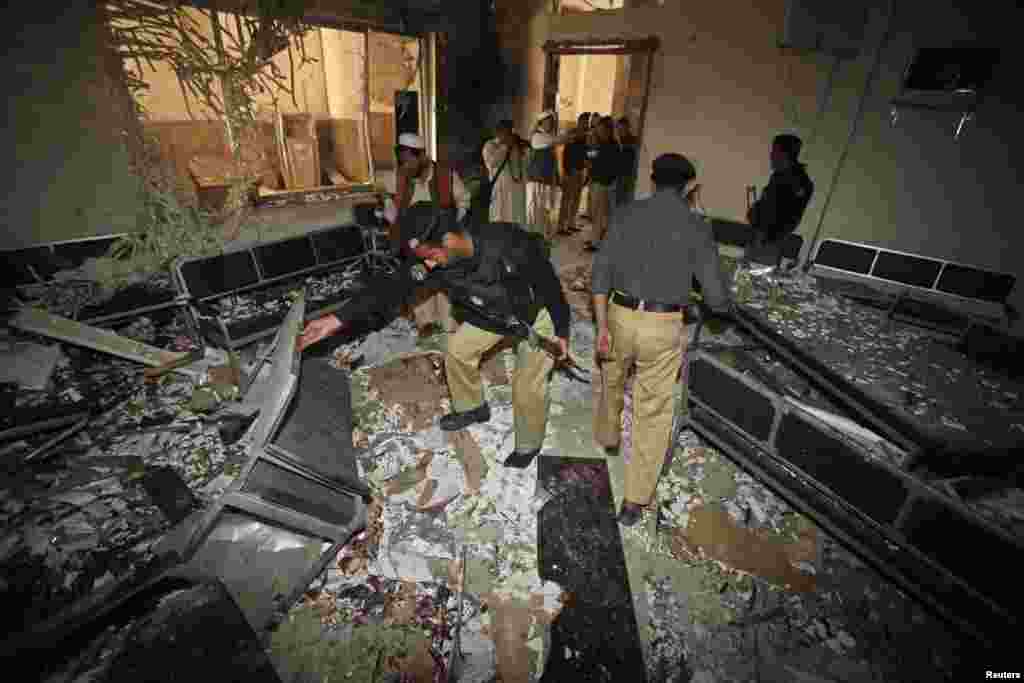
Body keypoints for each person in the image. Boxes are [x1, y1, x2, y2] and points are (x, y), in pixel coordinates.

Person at [298, 205, 572, 469]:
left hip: (537, 315)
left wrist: (562, 331)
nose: (427, 264)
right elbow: (391, 287)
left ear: (450, 239)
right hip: (491, 314)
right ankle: (473, 407)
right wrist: (336, 319)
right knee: (457, 350)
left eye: (429, 255)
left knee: (527, 384)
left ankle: (529, 444)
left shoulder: (507, 243)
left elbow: (549, 284)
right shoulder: (436, 263)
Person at [591, 152, 733, 526]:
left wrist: (602, 325)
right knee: (652, 411)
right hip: (663, 324)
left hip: (619, 315)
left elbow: (601, 271)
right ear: (687, 186)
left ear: (652, 179)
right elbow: (718, 299)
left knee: (612, 377)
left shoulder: (625, 213)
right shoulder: (696, 225)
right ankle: (635, 500)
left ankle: (607, 437)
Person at [388, 133, 472, 335]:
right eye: (403, 162)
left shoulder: (446, 175)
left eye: (409, 161)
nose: (406, 167)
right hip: (415, 246)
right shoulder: (401, 177)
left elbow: (464, 200)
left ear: (422, 156)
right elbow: (394, 209)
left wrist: (451, 226)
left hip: (442, 244)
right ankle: (426, 328)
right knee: (420, 287)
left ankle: (449, 330)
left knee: (445, 290)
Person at [746, 133, 814, 266]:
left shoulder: (794, 182)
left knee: (756, 280)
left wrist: (765, 236)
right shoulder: (780, 178)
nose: (771, 156)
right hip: (762, 240)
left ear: (784, 154)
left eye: (774, 151)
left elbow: (781, 214)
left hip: (767, 243)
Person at [526, 110, 574, 241]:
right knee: (534, 211)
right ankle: (533, 236)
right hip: (536, 180)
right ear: (541, 123)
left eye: (551, 122)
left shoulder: (547, 136)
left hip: (545, 180)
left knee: (544, 210)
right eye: (548, 122)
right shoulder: (538, 137)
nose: (550, 124)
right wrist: (569, 135)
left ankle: (542, 235)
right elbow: (559, 139)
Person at [582, 117, 620, 252]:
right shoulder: (602, 144)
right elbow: (591, 157)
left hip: (603, 184)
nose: (599, 131)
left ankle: (596, 243)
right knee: (597, 214)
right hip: (598, 182)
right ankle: (596, 239)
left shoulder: (612, 146)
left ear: (608, 130)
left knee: (600, 215)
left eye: (602, 129)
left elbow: (608, 165)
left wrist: (591, 155)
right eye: (599, 129)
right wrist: (590, 151)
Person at [482, 120, 528, 225]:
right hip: (500, 190)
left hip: (516, 189)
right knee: (500, 218)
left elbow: (523, 166)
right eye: (506, 131)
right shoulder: (490, 145)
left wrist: (521, 149)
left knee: (516, 219)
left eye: (510, 131)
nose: (510, 134)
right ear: (498, 132)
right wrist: (506, 146)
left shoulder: (516, 146)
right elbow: (492, 163)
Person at [557, 113, 590, 235]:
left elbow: (588, 154)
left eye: (587, 121)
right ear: (579, 121)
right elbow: (565, 154)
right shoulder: (572, 134)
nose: (585, 123)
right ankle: (561, 226)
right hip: (570, 172)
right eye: (584, 121)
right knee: (566, 200)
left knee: (576, 199)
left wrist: (591, 161)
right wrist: (565, 171)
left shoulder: (588, 137)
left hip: (580, 171)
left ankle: (571, 224)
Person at [614, 117, 639, 208]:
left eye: (623, 128)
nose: (621, 131)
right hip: (617, 177)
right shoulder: (616, 141)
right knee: (617, 203)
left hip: (628, 177)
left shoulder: (634, 141)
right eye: (619, 129)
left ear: (628, 128)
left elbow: (636, 159)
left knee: (625, 203)